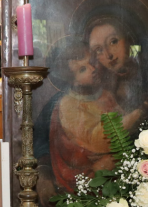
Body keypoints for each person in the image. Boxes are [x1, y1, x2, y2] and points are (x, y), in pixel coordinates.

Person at [47, 38, 141, 192]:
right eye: (82, 70)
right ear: (73, 81)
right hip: (85, 176)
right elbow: (98, 139)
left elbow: (123, 129)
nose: (92, 68)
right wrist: (136, 115)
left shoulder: (105, 95)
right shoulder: (68, 105)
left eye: (91, 62)